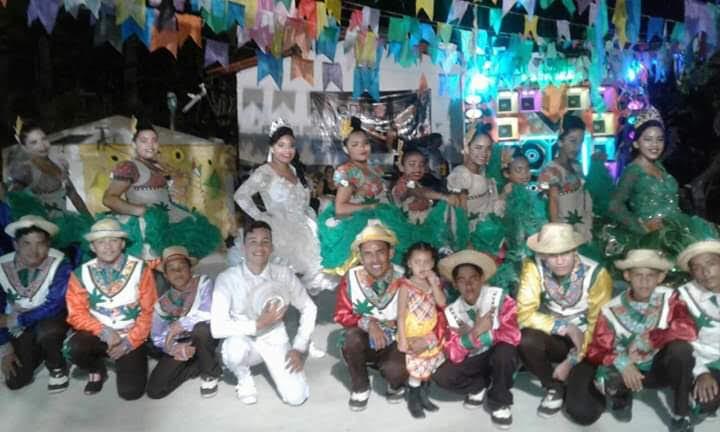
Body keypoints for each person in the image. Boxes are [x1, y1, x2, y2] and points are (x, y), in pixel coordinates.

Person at [567, 249, 697, 432]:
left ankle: (681, 412)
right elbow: (597, 349)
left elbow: (688, 329)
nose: (644, 281)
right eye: (638, 275)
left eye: (650, 275)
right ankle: (621, 397)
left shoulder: (670, 298)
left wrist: (654, 339)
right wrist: (623, 363)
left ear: (660, 277)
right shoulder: (610, 309)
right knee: (609, 377)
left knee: (681, 350)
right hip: (627, 369)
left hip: (659, 367)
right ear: (627, 276)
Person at [210, 221, 317, 406]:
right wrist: (257, 324)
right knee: (233, 349)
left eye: (265, 242)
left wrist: (299, 347)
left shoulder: (283, 274)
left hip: (274, 338)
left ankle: (275, 363)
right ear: (243, 247)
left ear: (272, 247)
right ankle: (244, 378)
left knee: (296, 398)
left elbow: (309, 307)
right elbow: (217, 328)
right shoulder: (227, 278)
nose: (259, 247)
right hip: (243, 340)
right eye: (253, 241)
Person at [516, 222, 612, 417]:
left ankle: (585, 380)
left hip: (587, 342)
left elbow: (599, 326)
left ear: (575, 250)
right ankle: (554, 386)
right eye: (552, 255)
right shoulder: (533, 265)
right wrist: (565, 327)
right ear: (543, 254)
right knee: (526, 339)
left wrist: (573, 359)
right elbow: (524, 313)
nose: (559, 261)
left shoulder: (597, 274)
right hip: (555, 335)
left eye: (565, 253)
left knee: (582, 413)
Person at [232, 120, 335, 294]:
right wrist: (260, 216)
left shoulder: (295, 170)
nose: (287, 150)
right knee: (279, 277)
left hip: (303, 225)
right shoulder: (265, 171)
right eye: (281, 145)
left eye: (291, 145)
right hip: (279, 228)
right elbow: (240, 196)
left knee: (311, 271)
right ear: (272, 148)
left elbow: (302, 200)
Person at [102, 118, 220, 259]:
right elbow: (109, 199)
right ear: (134, 144)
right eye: (144, 141)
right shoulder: (129, 167)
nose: (150, 145)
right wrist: (142, 211)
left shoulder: (158, 167)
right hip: (150, 227)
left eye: (154, 140)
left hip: (173, 220)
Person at [65, 218, 157, 399]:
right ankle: (96, 368)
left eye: (113, 240)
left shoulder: (140, 269)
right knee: (74, 348)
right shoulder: (80, 273)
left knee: (130, 393)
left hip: (131, 334)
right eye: (101, 242)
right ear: (92, 247)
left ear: (122, 244)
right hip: (99, 333)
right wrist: (103, 331)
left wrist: (129, 342)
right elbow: (76, 313)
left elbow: (150, 311)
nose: (107, 247)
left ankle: (133, 355)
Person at [606, 106, 712, 258]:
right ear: (636, 143)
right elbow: (614, 206)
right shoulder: (633, 170)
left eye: (659, 139)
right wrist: (640, 226)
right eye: (648, 139)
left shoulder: (659, 167)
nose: (655, 145)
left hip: (679, 228)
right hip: (657, 237)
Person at [434, 250, 520, 429]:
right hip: (477, 359)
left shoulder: (499, 298)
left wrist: (474, 337)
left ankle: (499, 401)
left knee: (505, 352)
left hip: (499, 355)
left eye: (473, 278)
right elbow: (452, 352)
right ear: (455, 285)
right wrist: (476, 332)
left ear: (482, 279)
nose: (468, 285)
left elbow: (513, 335)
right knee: (443, 376)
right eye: (462, 280)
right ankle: (479, 385)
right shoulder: (452, 311)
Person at [333, 220, 408, 411]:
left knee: (396, 371)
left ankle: (394, 380)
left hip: (396, 340)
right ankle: (360, 386)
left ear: (391, 253)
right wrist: (370, 324)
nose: (375, 260)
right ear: (360, 256)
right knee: (351, 339)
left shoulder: (404, 277)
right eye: (367, 253)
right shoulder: (351, 278)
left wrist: (395, 325)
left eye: (380, 252)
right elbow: (341, 314)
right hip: (365, 339)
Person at [0, 215, 72, 392]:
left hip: (50, 319)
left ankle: (56, 364)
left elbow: (55, 305)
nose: (33, 251)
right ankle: (39, 350)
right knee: (15, 381)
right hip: (19, 326)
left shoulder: (60, 262)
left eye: (40, 243)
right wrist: (6, 348)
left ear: (49, 244)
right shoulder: (2, 265)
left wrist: (17, 320)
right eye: (26, 243)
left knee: (49, 331)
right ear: (15, 244)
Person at [318, 117, 397, 273]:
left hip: (384, 217)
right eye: (355, 145)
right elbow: (340, 208)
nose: (362, 148)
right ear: (346, 149)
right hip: (359, 223)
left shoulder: (375, 168)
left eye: (365, 143)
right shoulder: (347, 171)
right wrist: (370, 207)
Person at [146, 246, 221, 399]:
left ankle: (210, 372)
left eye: (182, 267)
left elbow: (209, 311)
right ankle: (197, 365)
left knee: (201, 330)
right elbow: (157, 336)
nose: (178, 272)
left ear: (190, 268)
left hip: (204, 337)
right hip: (181, 343)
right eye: (172, 269)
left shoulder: (203, 282)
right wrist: (175, 348)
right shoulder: (162, 303)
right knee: (155, 390)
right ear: (166, 275)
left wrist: (182, 324)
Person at [392, 242, 446, 418]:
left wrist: (434, 283)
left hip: (429, 333)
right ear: (409, 263)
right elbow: (400, 314)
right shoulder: (405, 285)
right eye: (417, 262)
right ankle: (413, 399)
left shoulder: (433, 283)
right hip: (413, 334)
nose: (422, 266)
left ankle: (424, 396)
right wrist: (402, 338)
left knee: (428, 367)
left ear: (433, 264)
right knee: (417, 370)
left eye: (427, 262)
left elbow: (442, 303)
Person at [7, 118, 90, 218]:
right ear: (25, 148)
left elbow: (74, 196)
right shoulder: (26, 171)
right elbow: (13, 202)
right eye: (34, 142)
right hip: (44, 225)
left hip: (66, 221)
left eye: (44, 139)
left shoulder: (60, 163)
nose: (42, 145)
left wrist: (90, 220)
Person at [390, 147, 467, 255]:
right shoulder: (403, 184)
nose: (417, 169)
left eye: (421, 165)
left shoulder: (417, 183)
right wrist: (443, 197)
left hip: (423, 231)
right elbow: (418, 192)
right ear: (401, 167)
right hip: (411, 234)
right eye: (412, 164)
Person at [677, 239, 720, 421]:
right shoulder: (683, 298)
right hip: (706, 361)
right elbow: (680, 343)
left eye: (711, 263)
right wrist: (701, 372)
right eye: (697, 267)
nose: (705, 272)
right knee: (705, 402)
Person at [538, 114, 593, 241]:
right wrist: (558, 237)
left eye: (581, 142)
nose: (577, 147)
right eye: (573, 141)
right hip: (565, 233)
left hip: (583, 228)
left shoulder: (577, 166)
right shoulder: (551, 171)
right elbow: (553, 202)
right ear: (560, 142)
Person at [446, 123, 504, 231]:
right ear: (467, 148)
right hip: (472, 234)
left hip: (489, 230)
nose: (484, 153)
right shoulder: (461, 175)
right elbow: (460, 216)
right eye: (478, 148)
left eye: (488, 148)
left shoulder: (484, 171)